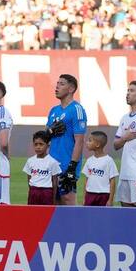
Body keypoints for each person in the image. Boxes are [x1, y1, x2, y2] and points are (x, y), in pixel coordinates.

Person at [46, 74, 87, 205]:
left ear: (71, 89)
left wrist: (72, 167)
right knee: (53, 203)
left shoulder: (77, 109)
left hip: (66, 165)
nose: (57, 86)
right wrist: (50, 132)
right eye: (57, 83)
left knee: (68, 203)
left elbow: (79, 141)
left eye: (61, 84)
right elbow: (45, 137)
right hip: (51, 165)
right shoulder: (53, 110)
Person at [80, 131, 118, 207]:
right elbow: (86, 180)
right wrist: (84, 197)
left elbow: (112, 181)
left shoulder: (109, 160)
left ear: (97, 144)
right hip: (90, 194)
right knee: (89, 217)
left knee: (103, 217)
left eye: (90, 140)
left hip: (104, 195)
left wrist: (110, 200)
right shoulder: (89, 160)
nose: (87, 143)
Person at [23, 131, 61, 205]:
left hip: (47, 192)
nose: (38, 147)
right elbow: (29, 178)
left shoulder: (52, 162)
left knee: (46, 214)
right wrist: (32, 190)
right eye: (36, 144)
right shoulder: (30, 161)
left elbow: (55, 181)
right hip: (34, 191)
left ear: (48, 145)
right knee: (32, 213)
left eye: (41, 144)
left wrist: (53, 198)